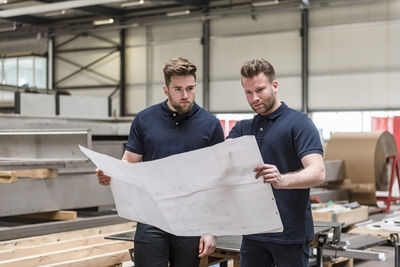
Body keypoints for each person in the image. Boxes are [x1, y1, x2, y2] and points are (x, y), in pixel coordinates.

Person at [96, 57, 225, 267]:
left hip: (190, 220)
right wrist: (112, 173)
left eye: (190, 88)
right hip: (151, 215)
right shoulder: (145, 120)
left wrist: (211, 230)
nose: (185, 95)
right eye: (178, 89)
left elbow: (217, 180)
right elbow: (130, 160)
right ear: (166, 89)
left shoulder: (210, 125)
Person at [227, 59, 325, 267]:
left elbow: (318, 172)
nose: (254, 98)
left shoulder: (299, 123)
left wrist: (282, 180)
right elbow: (222, 163)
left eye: (260, 90)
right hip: (253, 233)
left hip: (289, 234)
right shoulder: (242, 129)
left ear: (275, 85)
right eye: (248, 92)